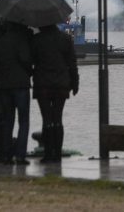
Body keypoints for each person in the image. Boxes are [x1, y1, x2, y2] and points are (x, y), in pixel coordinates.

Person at [31, 24, 79, 163]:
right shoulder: (66, 38)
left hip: (42, 84)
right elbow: (72, 63)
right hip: (61, 84)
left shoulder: (37, 40)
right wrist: (75, 84)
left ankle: (48, 154)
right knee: (58, 118)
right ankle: (57, 153)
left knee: (46, 119)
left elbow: (31, 60)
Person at [0, 21, 34, 164]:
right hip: (21, 85)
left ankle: (6, 154)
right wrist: (29, 72)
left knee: (7, 120)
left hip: (4, 86)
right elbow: (26, 60)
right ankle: (20, 155)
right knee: (23, 121)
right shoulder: (21, 41)